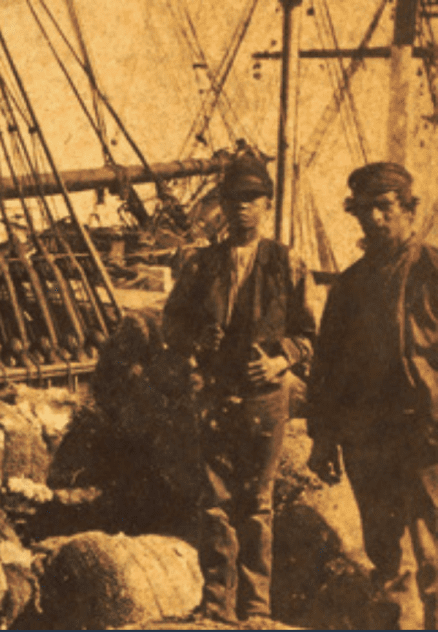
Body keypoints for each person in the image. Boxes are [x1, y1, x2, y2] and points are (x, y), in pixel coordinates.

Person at [162, 153, 317, 623]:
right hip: (214, 395)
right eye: (233, 199)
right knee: (215, 505)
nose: (242, 208)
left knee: (256, 506)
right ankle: (216, 607)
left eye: (251, 199)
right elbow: (172, 324)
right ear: (222, 206)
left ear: (267, 204)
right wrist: (194, 339)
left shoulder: (287, 263)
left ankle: (255, 609)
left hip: (266, 400)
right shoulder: (200, 264)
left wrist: (279, 360)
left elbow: (311, 335)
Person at [307, 162, 438, 630]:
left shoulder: (432, 270)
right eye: (364, 211)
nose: (374, 220)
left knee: (434, 551)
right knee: (385, 553)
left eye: (384, 208)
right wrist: (323, 440)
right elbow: (326, 370)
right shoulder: (350, 285)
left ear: (409, 209)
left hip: (425, 431)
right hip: (369, 437)